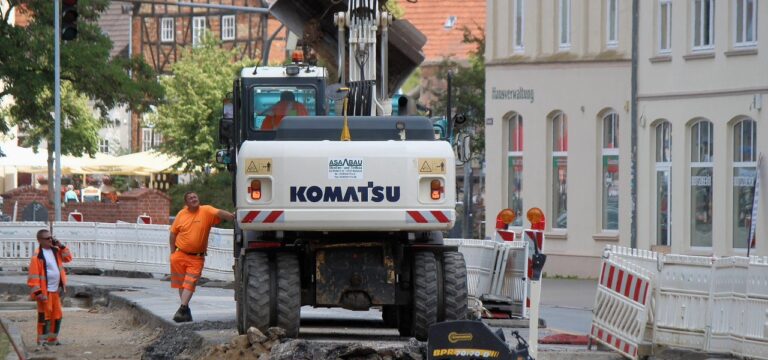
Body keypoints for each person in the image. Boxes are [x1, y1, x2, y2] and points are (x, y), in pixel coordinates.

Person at [168, 192, 234, 322]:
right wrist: (172, 253)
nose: (194, 199)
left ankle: (182, 308)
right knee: (182, 285)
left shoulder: (206, 210)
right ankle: (185, 310)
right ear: (186, 203)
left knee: (190, 283)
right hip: (179, 254)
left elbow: (219, 213)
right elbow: (172, 234)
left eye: (195, 197)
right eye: (190, 198)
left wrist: (232, 217)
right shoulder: (181, 214)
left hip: (196, 258)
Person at [27, 229, 72, 346]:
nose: (50, 240)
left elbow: (68, 258)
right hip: (45, 292)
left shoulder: (56, 250)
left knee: (57, 316)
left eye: (51, 237)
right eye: (47, 238)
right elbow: (33, 278)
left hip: (55, 291)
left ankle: (52, 339)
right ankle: (42, 341)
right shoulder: (37, 257)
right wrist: (38, 293)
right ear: (40, 240)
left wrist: (61, 245)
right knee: (44, 317)